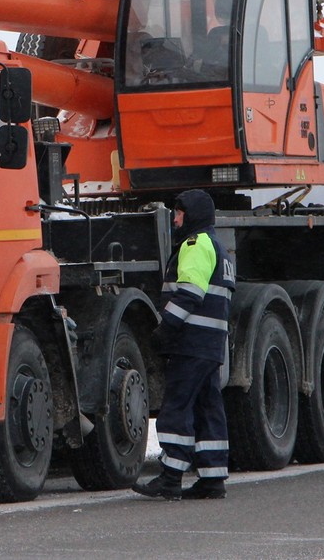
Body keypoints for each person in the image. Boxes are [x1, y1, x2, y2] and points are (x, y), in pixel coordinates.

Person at [133, 188, 236, 500]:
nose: (175, 219)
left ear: (192, 215)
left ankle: (170, 476)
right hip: (210, 344)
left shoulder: (195, 245)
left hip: (191, 343)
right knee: (209, 409)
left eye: (179, 213)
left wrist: (167, 328)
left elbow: (190, 293)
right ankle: (213, 479)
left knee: (176, 407)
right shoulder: (217, 247)